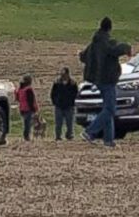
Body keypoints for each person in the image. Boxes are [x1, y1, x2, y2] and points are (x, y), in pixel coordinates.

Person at [80, 17, 131, 147]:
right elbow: (113, 51)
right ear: (110, 28)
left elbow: (83, 56)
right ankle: (90, 131)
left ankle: (108, 140)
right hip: (107, 79)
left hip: (98, 79)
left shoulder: (94, 42)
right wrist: (125, 47)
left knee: (107, 108)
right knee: (110, 109)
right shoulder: (106, 42)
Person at [50, 67, 79, 141]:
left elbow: (76, 94)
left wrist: (73, 102)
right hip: (59, 105)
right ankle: (58, 136)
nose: (63, 76)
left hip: (69, 106)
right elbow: (53, 93)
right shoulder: (57, 83)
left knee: (69, 123)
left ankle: (69, 135)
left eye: (64, 74)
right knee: (58, 123)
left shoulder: (73, 83)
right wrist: (55, 102)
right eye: (62, 74)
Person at [16, 75, 39, 141]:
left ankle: (26, 136)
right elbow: (31, 100)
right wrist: (34, 109)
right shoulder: (28, 89)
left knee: (26, 123)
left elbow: (18, 99)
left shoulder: (20, 89)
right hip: (28, 109)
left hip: (22, 109)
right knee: (28, 124)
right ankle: (27, 136)